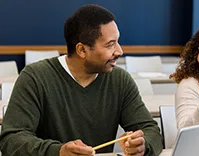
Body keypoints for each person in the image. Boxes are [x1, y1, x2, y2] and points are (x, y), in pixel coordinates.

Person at [0, 4, 162, 156]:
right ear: (82, 50)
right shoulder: (35, 77)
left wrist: (143, 145)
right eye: (110, 44)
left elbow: (150, 130)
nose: (119, 51)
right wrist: (58, 152)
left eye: (117, 42)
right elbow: (11, 139)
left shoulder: (120, 80)